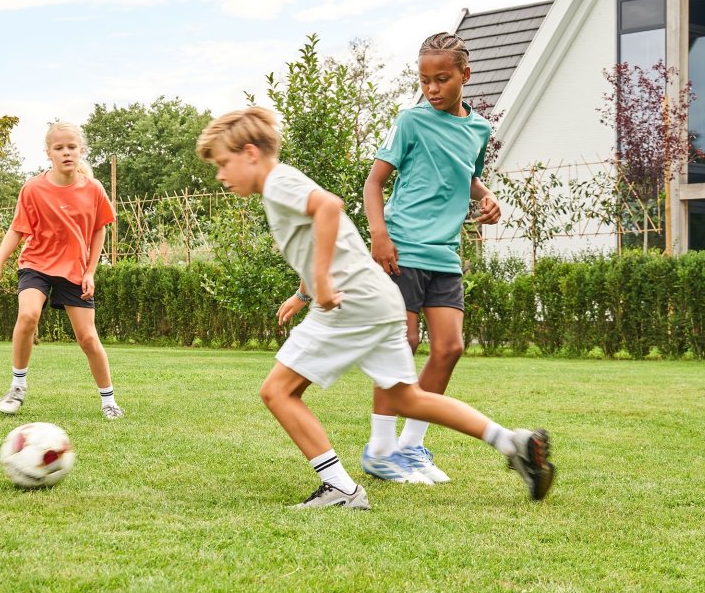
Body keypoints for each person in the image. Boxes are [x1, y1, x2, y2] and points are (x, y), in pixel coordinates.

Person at [196, 106, 553, 509]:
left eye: (223, 163)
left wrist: (326, 284)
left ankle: (341, 490)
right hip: (380, 299)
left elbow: (329, 207)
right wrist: (304, 292)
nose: (220, 175)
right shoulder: (278, 186)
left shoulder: (278, 182)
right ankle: (513, 442)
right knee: (407, 398)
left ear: (250, 153)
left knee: (278, 391)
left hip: (351, 302)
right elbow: (316, 239)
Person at [361, 32, 500, 486]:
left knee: (450, 348)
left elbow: (466, 174)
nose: (433, 89)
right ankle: (380, 450)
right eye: (425, 80)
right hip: (401, 247)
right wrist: (378, 236)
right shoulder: (411, 122)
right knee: (401, 345)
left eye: (442, 79)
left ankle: (411, 446)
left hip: (444, 254)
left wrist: (487, 196)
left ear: (465, 74)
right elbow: (374, 182)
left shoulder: (479, 129)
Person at [0, 121, 125, 420]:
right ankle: (17, 386)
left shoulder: (94, 189)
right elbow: (17, 230)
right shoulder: (33, 188)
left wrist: (90, 272)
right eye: (59, 148)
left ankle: (108, 400)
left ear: (81, 150)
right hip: (36, 264)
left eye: (71, 147)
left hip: (74, 271)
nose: (66, 152)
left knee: (87, 338)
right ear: (49, 153)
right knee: (28, 315)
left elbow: (100, 230)